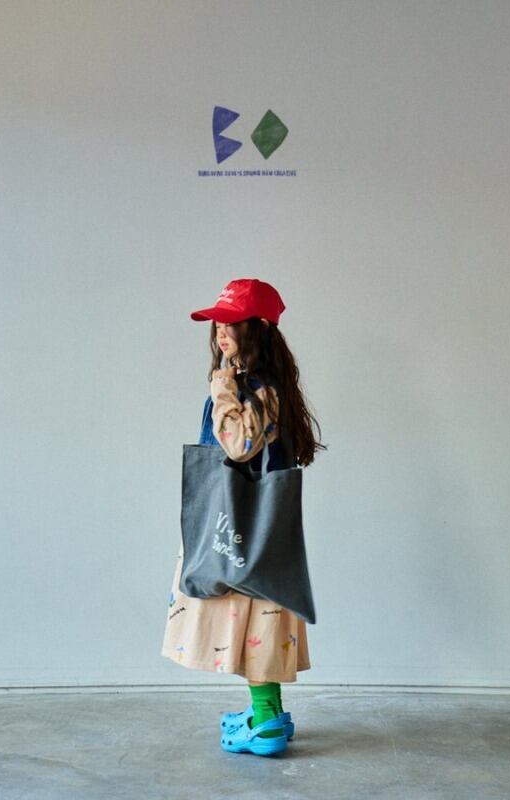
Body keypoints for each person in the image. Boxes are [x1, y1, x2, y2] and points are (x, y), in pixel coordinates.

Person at [160, 277, 326, 757]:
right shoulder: (259, 384)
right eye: (217, 323)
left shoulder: (256, 388)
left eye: (231, 322)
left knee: (254, 614)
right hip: (252, 528)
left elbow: (238, 446)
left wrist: (221, 390)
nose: (220, 331)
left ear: (258, 329)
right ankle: (268, 711)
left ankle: (266, 721)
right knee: (259, 615)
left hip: (238, 527)